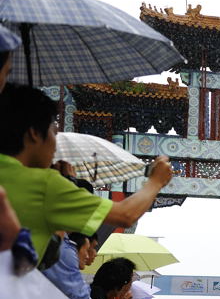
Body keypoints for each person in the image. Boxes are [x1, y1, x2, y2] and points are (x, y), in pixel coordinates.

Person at [0, 83, 173, 267]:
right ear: (34, 134)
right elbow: (125, 215)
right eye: (53, 133)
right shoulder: (47, 185)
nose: (55, 144)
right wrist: (155, 181)